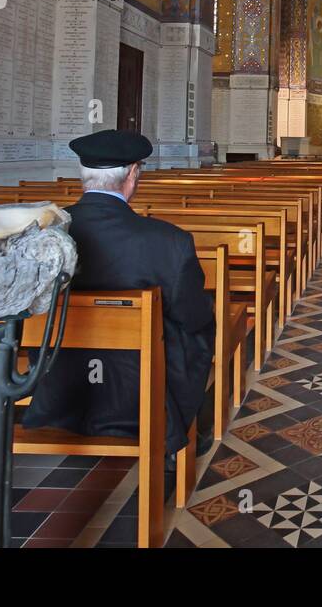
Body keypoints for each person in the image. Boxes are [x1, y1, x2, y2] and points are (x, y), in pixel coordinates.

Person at [23, 129, 216, 461]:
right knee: (198, 325)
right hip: (139, 391)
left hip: (58, 383)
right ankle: (176, 423)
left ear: (83, 175)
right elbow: (193, 317)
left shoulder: (41, 235)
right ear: (132, 174)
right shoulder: (169, 241)